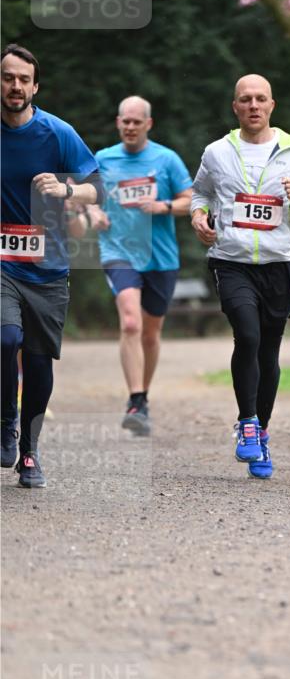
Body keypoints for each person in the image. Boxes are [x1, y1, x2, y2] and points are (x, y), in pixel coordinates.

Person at [190, 73, 290, 479]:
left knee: (268, 353)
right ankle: (246, 422)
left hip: (276, 265)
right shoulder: (217, 152)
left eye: (260, 99)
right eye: (245, 99)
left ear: (271, 106)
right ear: (235, 107)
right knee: (246, 335)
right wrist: (198, 217)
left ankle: (261, 434)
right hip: (230, 262)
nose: (252, 105)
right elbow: (199, 194)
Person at [1, 44, 100, 488]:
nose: (15, 86)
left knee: (40, 363)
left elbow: (98, 187)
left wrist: (65, 189)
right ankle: (6, 419)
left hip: (49, 268)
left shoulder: (57, 133)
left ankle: (29, 452)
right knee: (6, 338)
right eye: (7, 77)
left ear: (35, 87)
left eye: (23, 79)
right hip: (3, 265)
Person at [91, 97, 193, 435]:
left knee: (150, 333)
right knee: (131, 323)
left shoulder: (167, 159)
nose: (131, 127)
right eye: (126, 121)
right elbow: (81, 196)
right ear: (118, 122)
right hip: (118, 251)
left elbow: (191, 201)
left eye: (137, 122)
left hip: (161, 257)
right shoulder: (103, 160)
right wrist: (91, 211)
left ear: (148, 124)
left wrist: (163, 206)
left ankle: (143, 397)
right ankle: (135, 400)